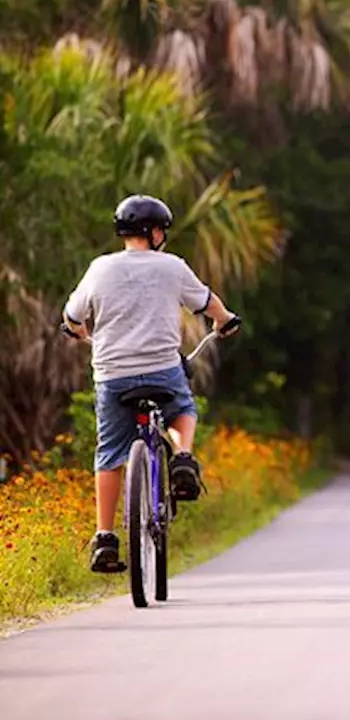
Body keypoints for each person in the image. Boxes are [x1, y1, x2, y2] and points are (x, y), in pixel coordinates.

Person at [62, 195, 241, 573]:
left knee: (109, 453)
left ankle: (106, 539)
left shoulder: (100, 268)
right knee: (183, 410)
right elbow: (209, 303)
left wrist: (78, 331)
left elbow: (73, 314)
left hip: (112, 374)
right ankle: (184, 458)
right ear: (154, 231)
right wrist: (224, 321)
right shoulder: (172, 267)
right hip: (162, 368)